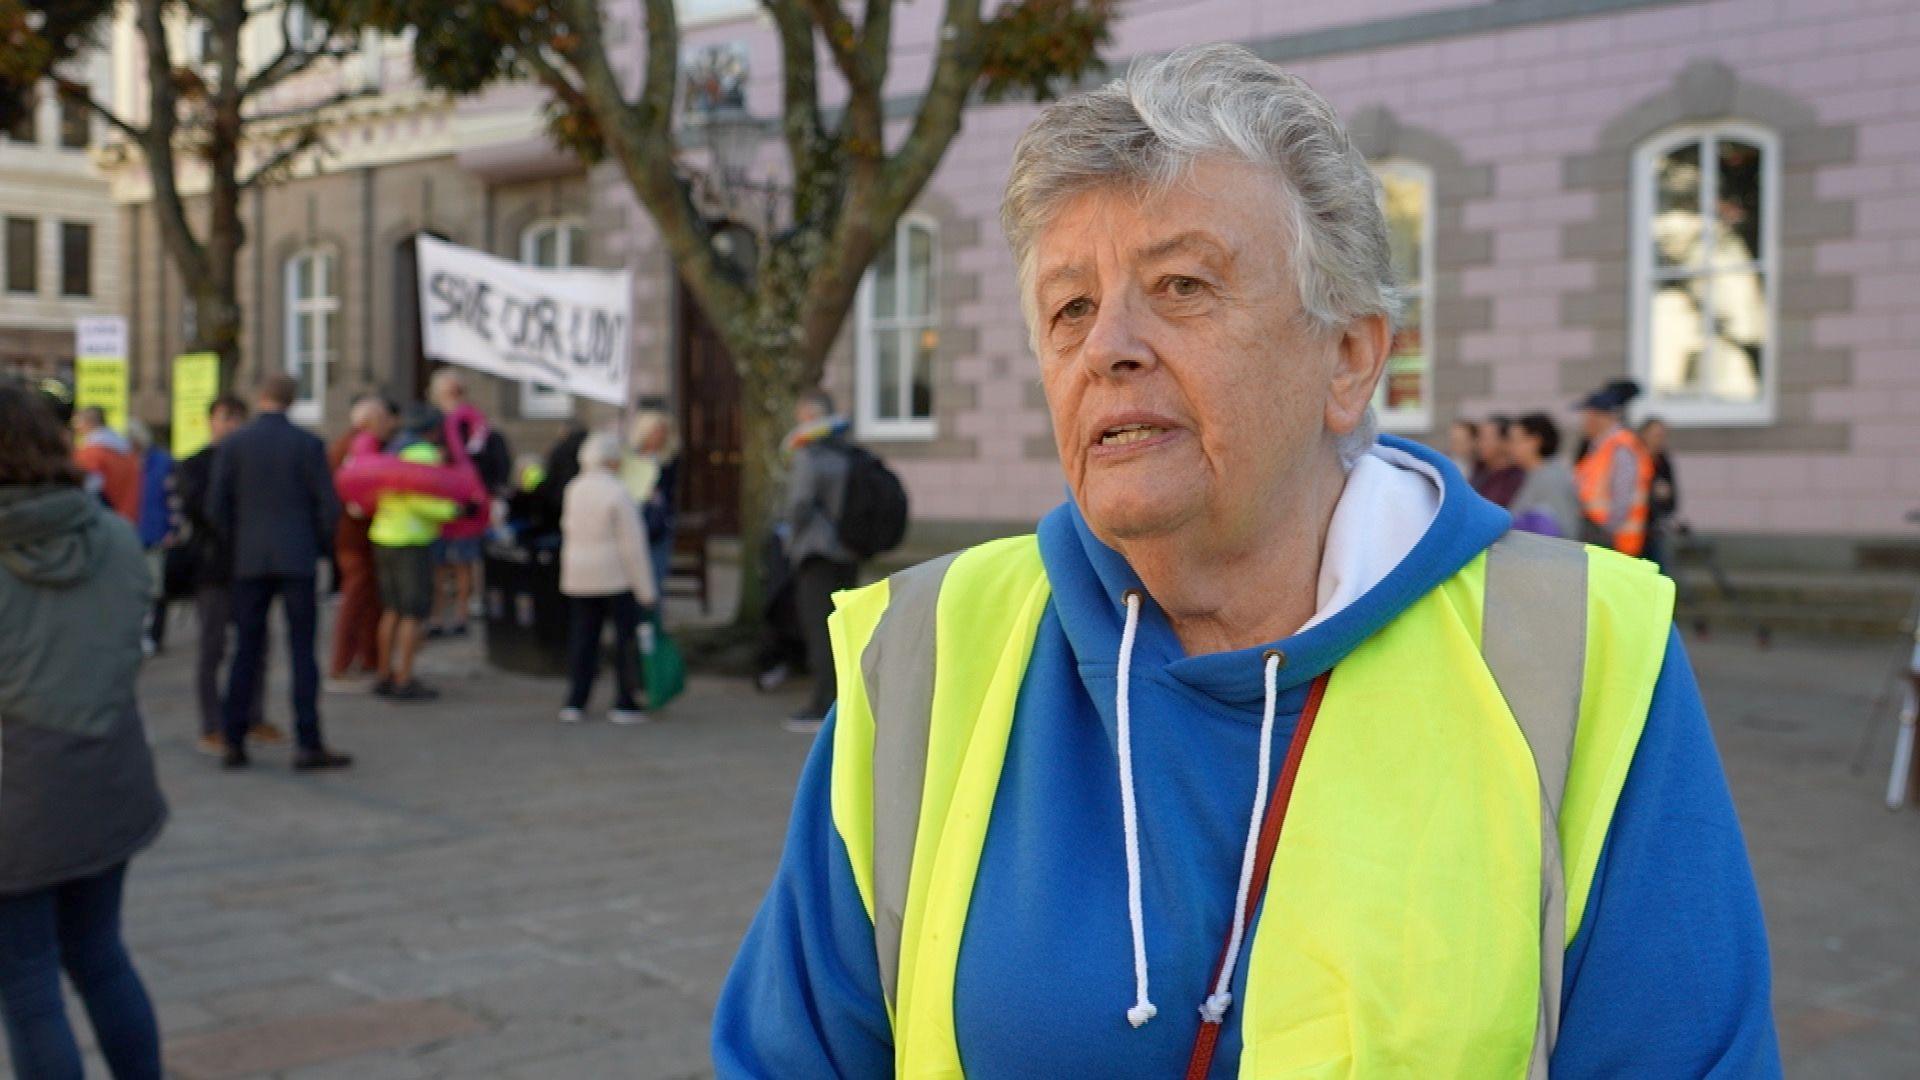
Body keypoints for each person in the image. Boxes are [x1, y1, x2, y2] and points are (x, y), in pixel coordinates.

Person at [715, 45, 1778, 1077]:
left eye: (1181, 285)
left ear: (1350, 358)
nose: (1109, 346)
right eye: (1070, 306)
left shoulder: (1578, 655)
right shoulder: (921, 655)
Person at [0, 383, 167, 1080]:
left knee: (30, 985)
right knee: (100, 955)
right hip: (105, 771)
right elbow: (130, 640)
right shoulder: (115, 535)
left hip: (16, 793)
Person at [209, 373, 352, 771]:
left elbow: (216, 506)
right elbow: (329, 506)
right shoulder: (306, 444)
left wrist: (236, 545)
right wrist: (320, 548)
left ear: (260, 397)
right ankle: (308, 741)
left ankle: (233, 740)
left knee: (246, 651)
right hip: (296, 556)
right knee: (302, 650)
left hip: (250, 558)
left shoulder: (236, 444)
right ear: (293, 400)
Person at [173, 395, 277, 756]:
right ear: (211, 422)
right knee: (213, 647)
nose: (231, 425)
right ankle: (211, 723)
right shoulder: (195, 465)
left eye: (237, 418)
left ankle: (253, 715)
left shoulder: (254, 463)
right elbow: (202, 512)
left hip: (251, 566)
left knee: (257, 644)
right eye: (224, 418)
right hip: (214, 568)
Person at [776, 389, 861, 735]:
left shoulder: (809, 456)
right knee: (841, 627)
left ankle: (822, 705)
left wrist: (787, 538)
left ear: (812, 417)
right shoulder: (848, 451)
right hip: (848, 551)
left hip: (816, 552)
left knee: (819, 629)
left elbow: (799, 504)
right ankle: (842, 699)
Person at [558, 431, 657, 724]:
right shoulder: (618, 491)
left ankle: (576, 699)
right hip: (616, 576)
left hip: (579, 575)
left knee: (583, 638)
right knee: (625, 640)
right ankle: (625, 701)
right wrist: (646, 590)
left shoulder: (574, 488)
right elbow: (633, 545)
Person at [370, 405, 460, 703]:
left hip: (384, 534)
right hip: (411, 539)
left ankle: (384, 673)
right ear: (434, 430)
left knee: (391, 609)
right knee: (413, 613)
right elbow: (423, 499)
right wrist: (455, 510)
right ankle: (405, 678)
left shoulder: (392, 450)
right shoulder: (424, 455)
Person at [326, 394, 397, 689]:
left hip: (354, 533)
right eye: (382, 421)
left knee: (368, 598)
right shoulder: (355, 447)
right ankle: (342, 662)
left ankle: (369, 657)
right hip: (354, 535)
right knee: (356, 596)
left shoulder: (345, 444)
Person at [427, 369, 491, 638]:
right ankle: (440, 615)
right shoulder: (435, 420)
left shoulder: (470, 419)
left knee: (462, 562)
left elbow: (479, 452)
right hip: (441, 498)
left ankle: (459, 614)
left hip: (462, 496)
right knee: (442, 565)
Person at [1575, 379, 1655, 557]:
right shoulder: (1601, 447)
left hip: (1614, 543)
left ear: (1599, 417)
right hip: (1603, 538)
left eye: (1587, 415)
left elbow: (1622, 498)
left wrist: (1606, 534)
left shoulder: (1621, 448)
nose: (1583, 422)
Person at [622, 402, 681, 600]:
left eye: (663, 432)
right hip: (634, 518)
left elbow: (671, 491)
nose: (660, 436)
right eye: (656, 431)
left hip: (658, 523)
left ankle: (654, 622)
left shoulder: (668, 459)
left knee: (656, 574)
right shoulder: (631, 458)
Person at [129, 420, 175, 656]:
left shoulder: (163, 463)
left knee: (156, 589)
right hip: (130, 534)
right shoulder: (126, 462)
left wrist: (171, 529)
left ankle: (155, 636)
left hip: (155, 533)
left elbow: (172, 497)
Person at [1508, 411, 1582, 539]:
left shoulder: (1552, 478)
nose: (1510, 447)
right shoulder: (1533, 474)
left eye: (1516, 441)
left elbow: (1562, 531)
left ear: (1535, 441)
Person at [71, 406, 140, 525]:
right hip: (128, 519)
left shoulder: (90, 454)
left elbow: (88, 492)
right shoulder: (127, 452)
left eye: (77, 421)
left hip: (101, 524)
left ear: (89, 422)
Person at [1640, 417, 1678, 575]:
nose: (1659, 440)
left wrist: (1664, 495)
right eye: (1656, 435)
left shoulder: (1663, 461)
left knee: (1658, 570)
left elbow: (1673, 498)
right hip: (1636, 528)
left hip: (1655, 527)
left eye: (1662, 435)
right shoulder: (1635, 459)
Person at [1471, 413, 1525, 508]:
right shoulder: (1478, 471)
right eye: (1478, 437)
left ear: (1505, 442)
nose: (1478, 443)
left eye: (1485, 438)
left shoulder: (1517, 479)